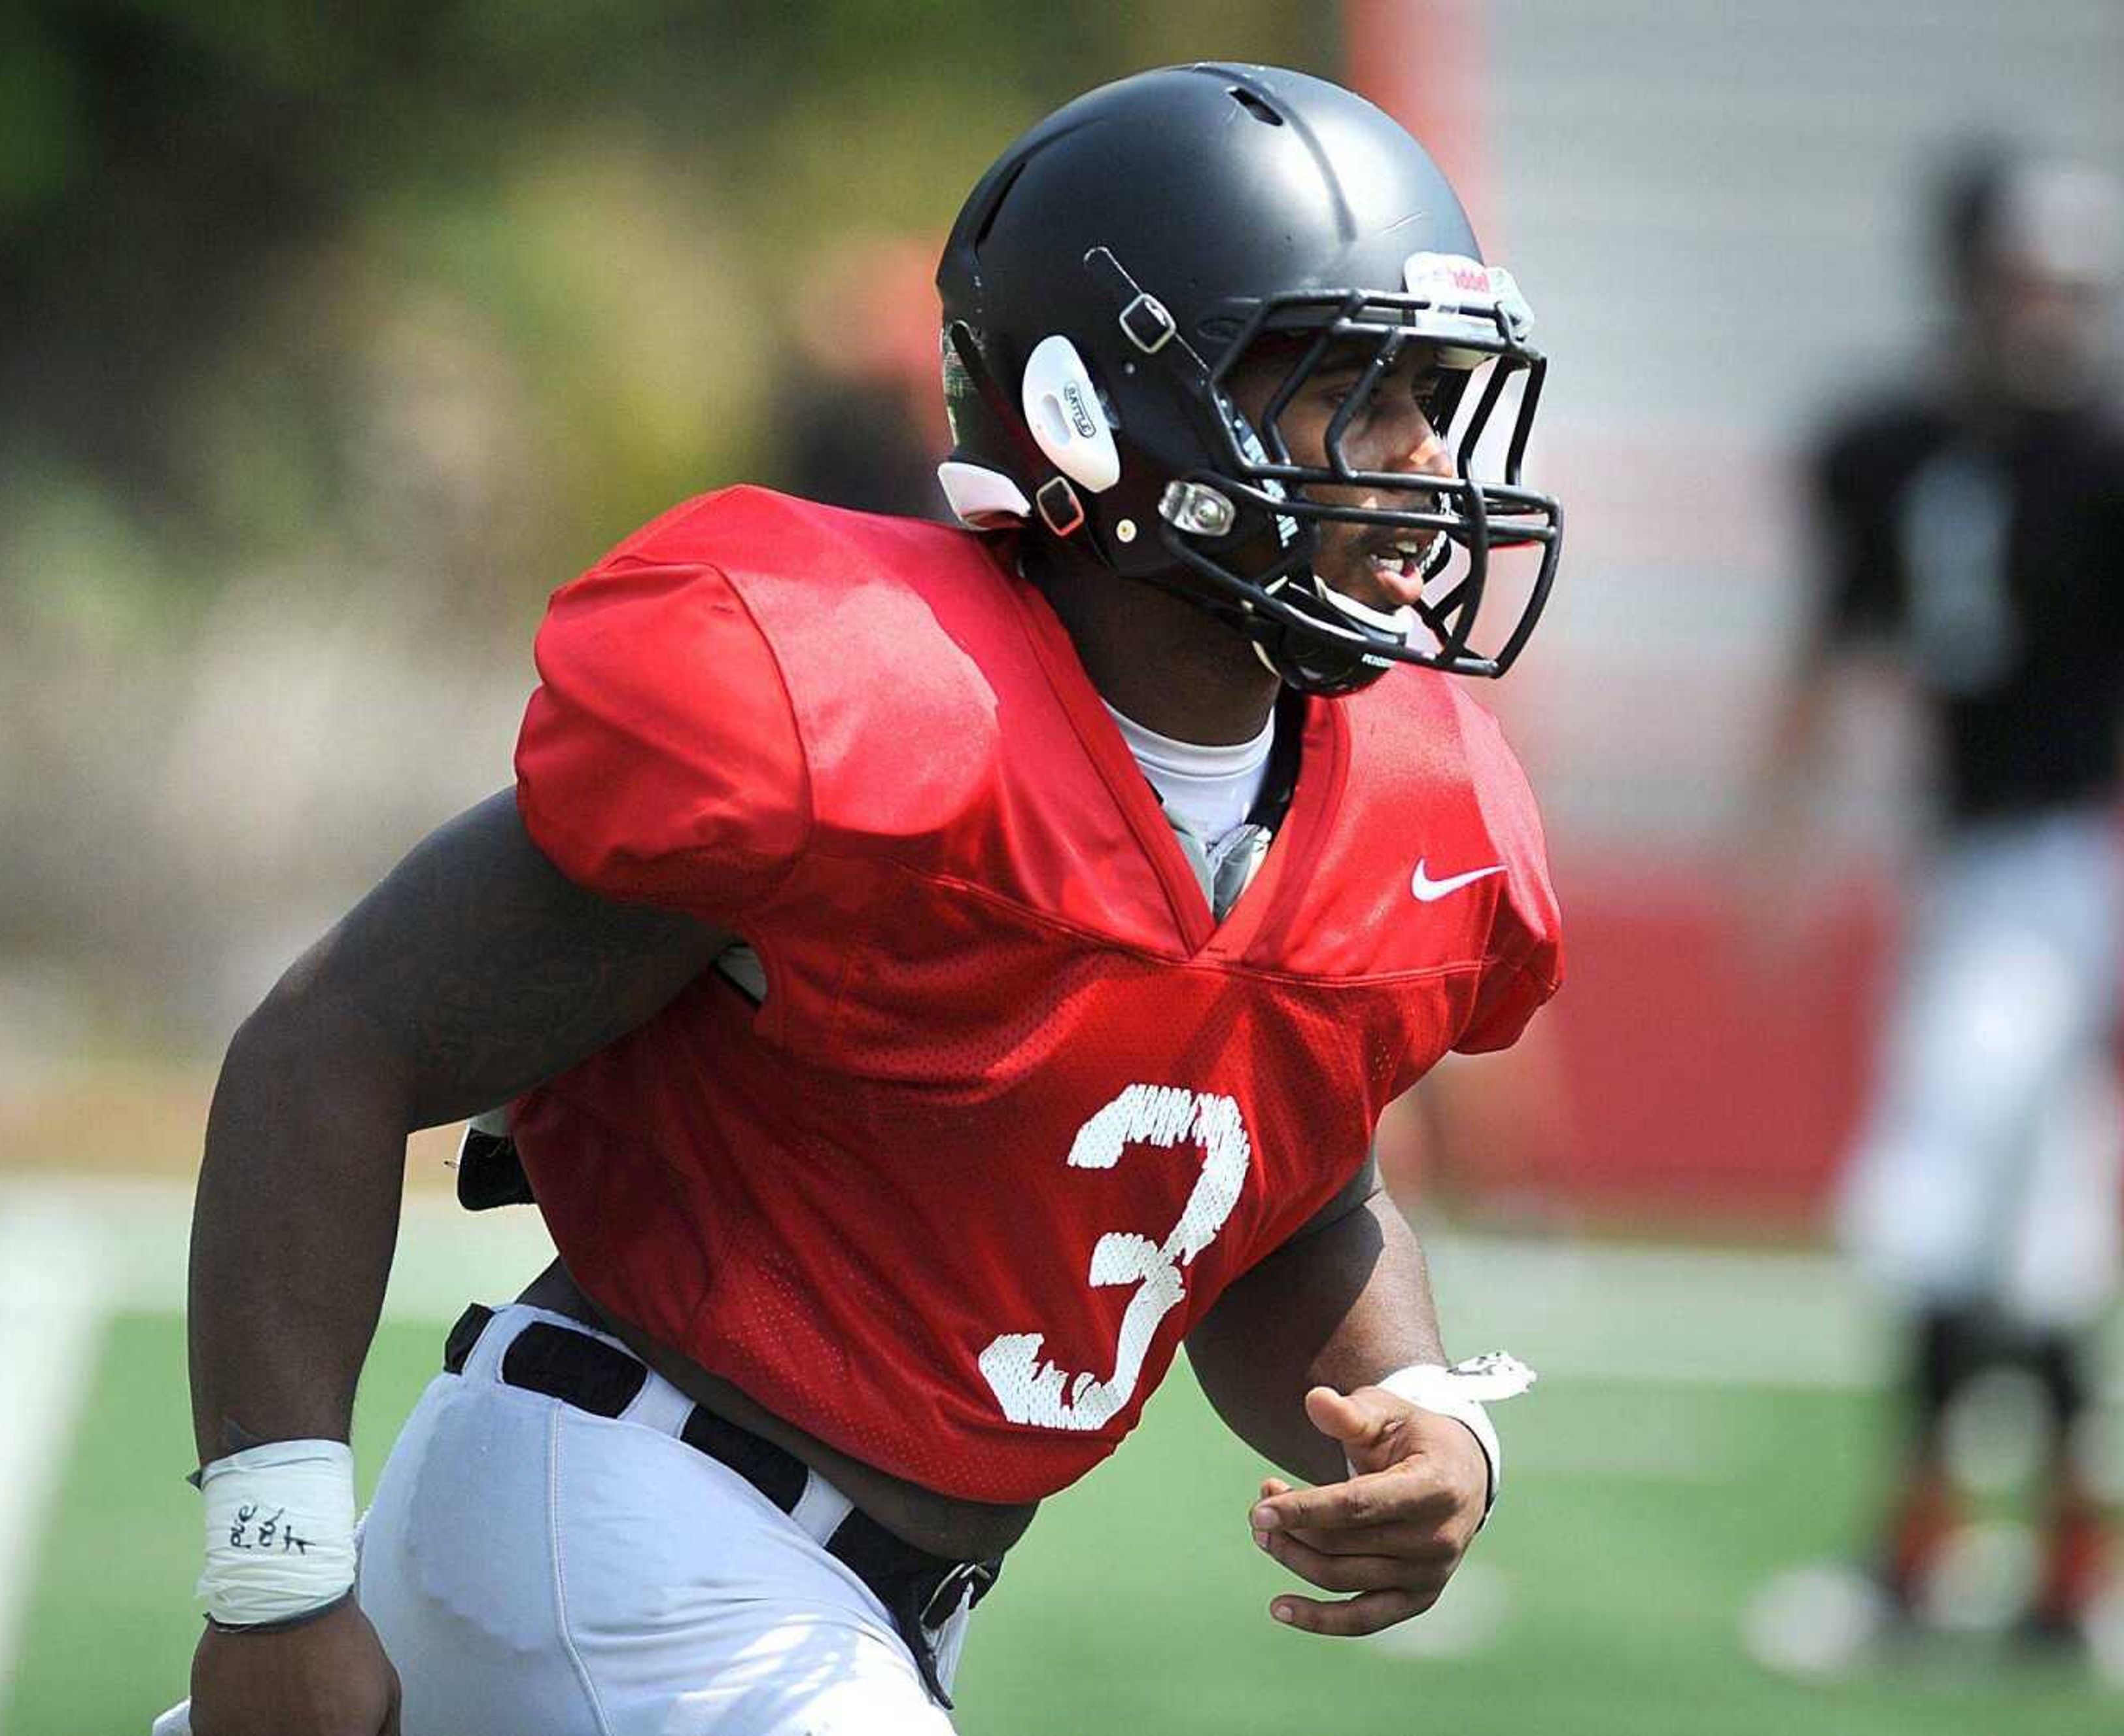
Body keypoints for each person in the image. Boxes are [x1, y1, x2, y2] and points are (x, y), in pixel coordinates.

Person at [166, 62, 1565, 1736]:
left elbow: (1293, 1199)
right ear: (1095, 413)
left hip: (831, 1601)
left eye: (1432, 393)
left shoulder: (1396, 795)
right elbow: (337, 1042)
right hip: (633, 1523)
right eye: (1351, 388)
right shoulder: (858, 707)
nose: (1418, 461)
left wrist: (1415, 1404)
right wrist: (274, 1580)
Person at [1760, 147, 2124, 1646]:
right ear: (1967, 279)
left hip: (2057, 864)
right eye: (2028, 279)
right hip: (1962, 866)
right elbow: (1835, 639)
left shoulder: (2099, 462)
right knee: (2027, 1237)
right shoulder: (1892, 444)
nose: (2055, 313)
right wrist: (1773, 828)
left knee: (1949, 1215)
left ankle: (1939, 1564)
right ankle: (2056, 1568)